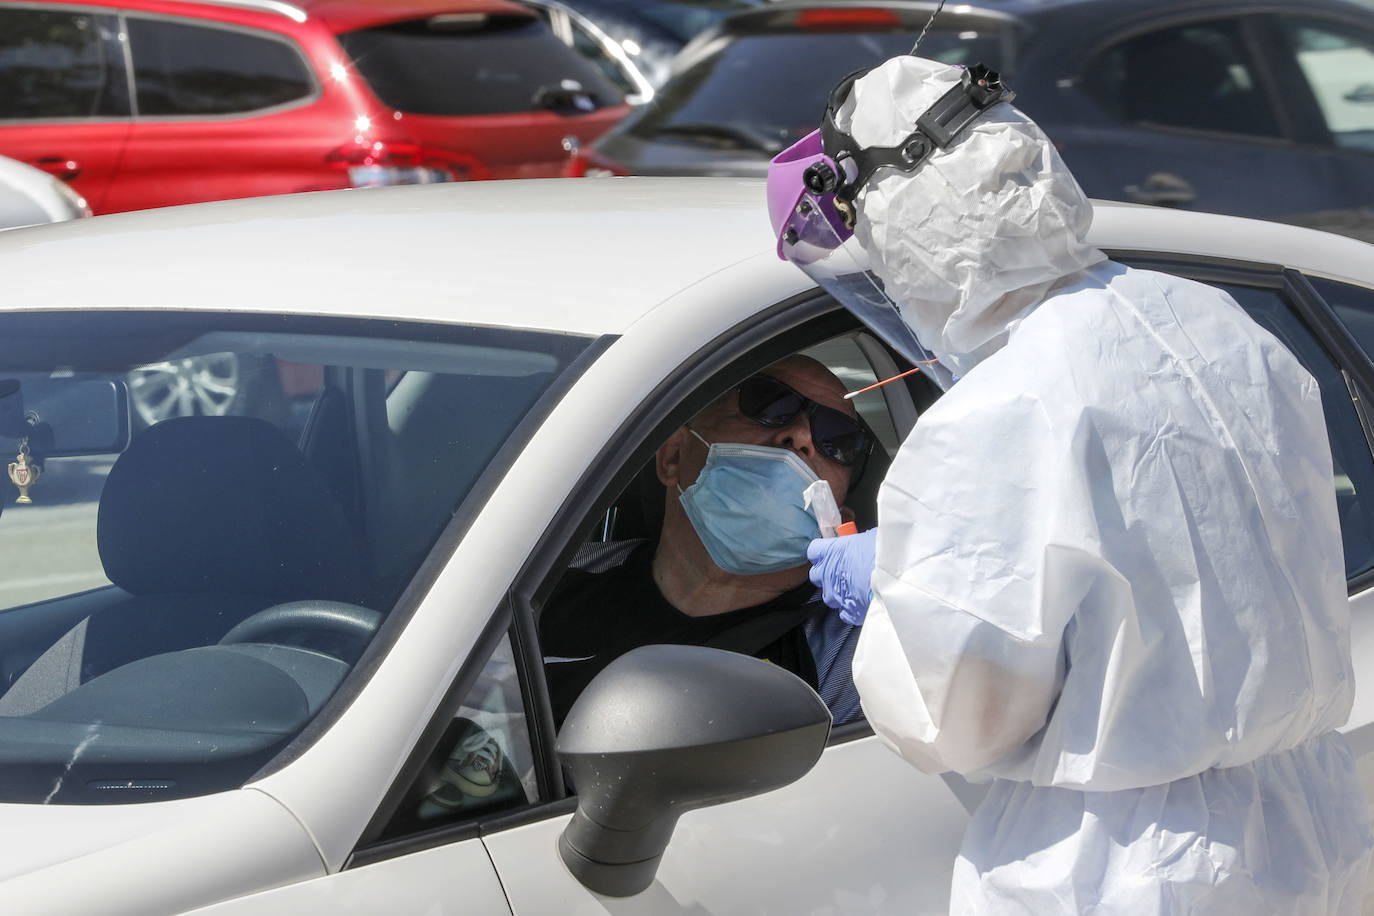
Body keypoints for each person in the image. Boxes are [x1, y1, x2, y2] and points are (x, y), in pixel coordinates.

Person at [771, 55, 1373, 913]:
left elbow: (954, 721)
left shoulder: (1001, 408)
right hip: (1312, 824)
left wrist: (900, 602)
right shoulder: (1215, 323)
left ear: (911, 231)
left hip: (1122, 867)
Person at [539, 355, 869, 728]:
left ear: (840, 522)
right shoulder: (546, 584)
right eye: (769, 403)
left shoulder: (856, 654)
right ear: (673, 456)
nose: (803, 437)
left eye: (837, 439)